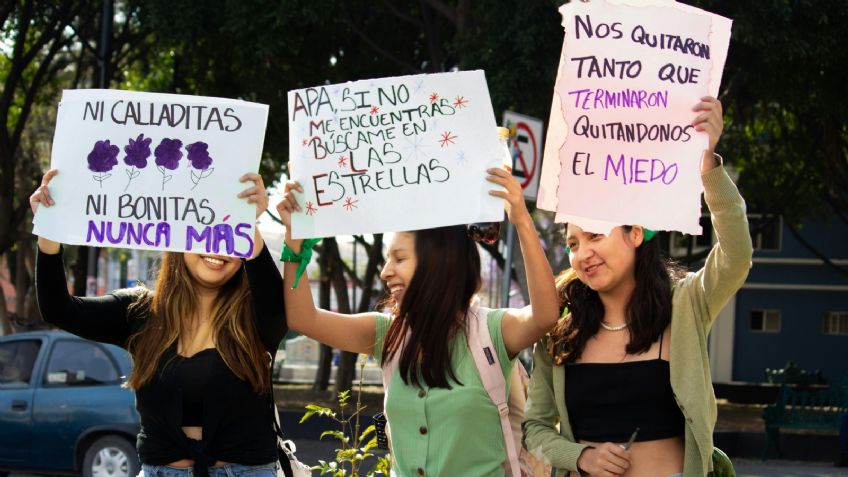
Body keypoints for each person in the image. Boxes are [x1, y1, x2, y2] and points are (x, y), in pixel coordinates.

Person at [275, 166, 560, 476]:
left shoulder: (492, 331)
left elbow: (545, 315)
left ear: (437, 262)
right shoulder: (387, 333)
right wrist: (295, 241)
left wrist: (520, 218)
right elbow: (303, 317)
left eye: (398, 258)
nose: (384, 272)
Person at [522, 97, 753, 477]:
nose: (582, 254)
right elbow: (535, 429)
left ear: (634, 233)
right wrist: (580, 456)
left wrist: (708, 166)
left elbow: (737, 255)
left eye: (595, 235)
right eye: (573, 243)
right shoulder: (560, 324)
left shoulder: (685, 304)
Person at [31, 169, 286, 477]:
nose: (218, 247)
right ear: (178, 239)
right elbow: (58, 310)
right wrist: (49, 231)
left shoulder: (256, 315)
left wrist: (249, 221)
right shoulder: (139, 311)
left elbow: (275, 309)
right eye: (204, 231)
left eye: (232, 234)